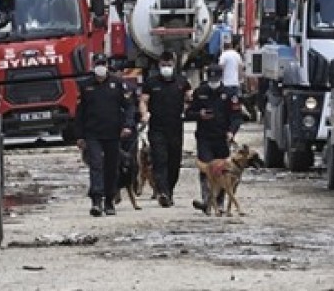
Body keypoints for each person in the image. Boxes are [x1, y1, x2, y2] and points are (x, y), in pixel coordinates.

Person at [74, 53, 134, 216]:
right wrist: (79, 136)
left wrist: (128, 125)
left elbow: (128, 106)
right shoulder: (86, 86)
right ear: (93, 66)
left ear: (107, 65)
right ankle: (96, 200)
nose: (100, 66)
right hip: (92, 133)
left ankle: (109, 200)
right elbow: (80, 113)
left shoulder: (118, 84)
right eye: (97, 63)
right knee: (96, 165)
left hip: (113, 133)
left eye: (103, 63)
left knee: (111, 168)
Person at [185, 65, 243, 214]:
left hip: (222, 138)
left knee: (223, 171)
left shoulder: (230, 94)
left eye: (216, 78)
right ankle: (207, 200)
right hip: (204, 137)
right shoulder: (200, 92)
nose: (213, 81)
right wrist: (200, 114)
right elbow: (188, 113)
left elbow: (236, 117)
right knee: (206, 168)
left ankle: (219, 202)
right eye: (211, 78)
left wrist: (231, 132)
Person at [139, 50, 190, 207]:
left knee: (174, 162)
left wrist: (187, 110)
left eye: (169, 64)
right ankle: (162, 192)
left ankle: (169, 190)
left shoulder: (181, 81)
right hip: (157, 127)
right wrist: (144, 114)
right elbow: (143, 100)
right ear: (159, 65)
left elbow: (190, 97)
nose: (166, 67)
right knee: (160, 159)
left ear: (174, 65)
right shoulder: (152, 82)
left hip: (175, 127)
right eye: (163, 65)